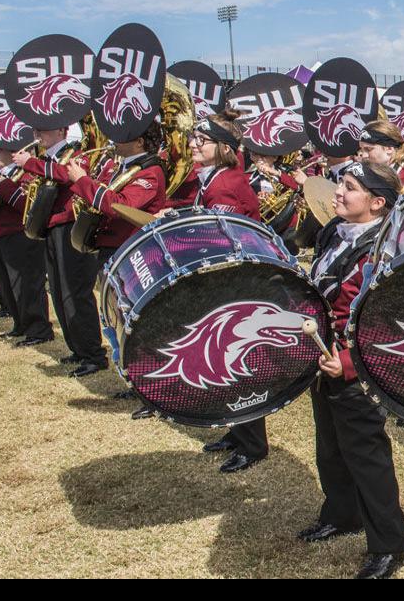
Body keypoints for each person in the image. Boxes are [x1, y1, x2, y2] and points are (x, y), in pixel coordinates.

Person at [299, 161, 404, 579]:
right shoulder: (333, 231)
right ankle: (341, 514)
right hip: (322, 356)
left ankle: (389, 545)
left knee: (367, 455)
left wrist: (345, 362)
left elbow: (387, 323)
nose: (337, 194)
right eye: (340, 185)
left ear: (377, 202)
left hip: (355, 365)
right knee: (330, 445)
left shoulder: (386, 250)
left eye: (349, 188)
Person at [168, 111, 266, 472]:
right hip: (228, 278)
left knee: (235, 362)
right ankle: (237, 431)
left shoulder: (225, 183)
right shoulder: (214, 179)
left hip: (234, 279)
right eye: (194, 138)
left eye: (201, 140)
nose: (193, 144)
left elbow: (221, 237)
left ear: (223, 148)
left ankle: (252, 443)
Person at [12, 126, 108, 376]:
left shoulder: (75, 151)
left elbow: (66, 175)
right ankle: (77, 347)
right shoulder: (46, 158)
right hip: (51, 227)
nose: (37, 133)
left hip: (70, 225)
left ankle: (93, 354)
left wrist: (30, 163)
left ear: (61, 130)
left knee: (75, 290)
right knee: (58, 290)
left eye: (43, 129)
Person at [63, 122, 167, 267]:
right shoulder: (125, 166)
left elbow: (120, 206)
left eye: (122, 136)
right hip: (111, 246)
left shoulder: (151, 173)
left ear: (139, 142)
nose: (114, 140)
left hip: (129, 250)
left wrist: (82, 181)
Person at [0, 151, 54, 346]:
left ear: (10, 151)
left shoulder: (26, 173)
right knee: (8, 285)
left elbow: (25, 205)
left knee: (26, 285)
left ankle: (39, 329)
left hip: (19, 234)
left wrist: (2, 185)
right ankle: (20, 324)